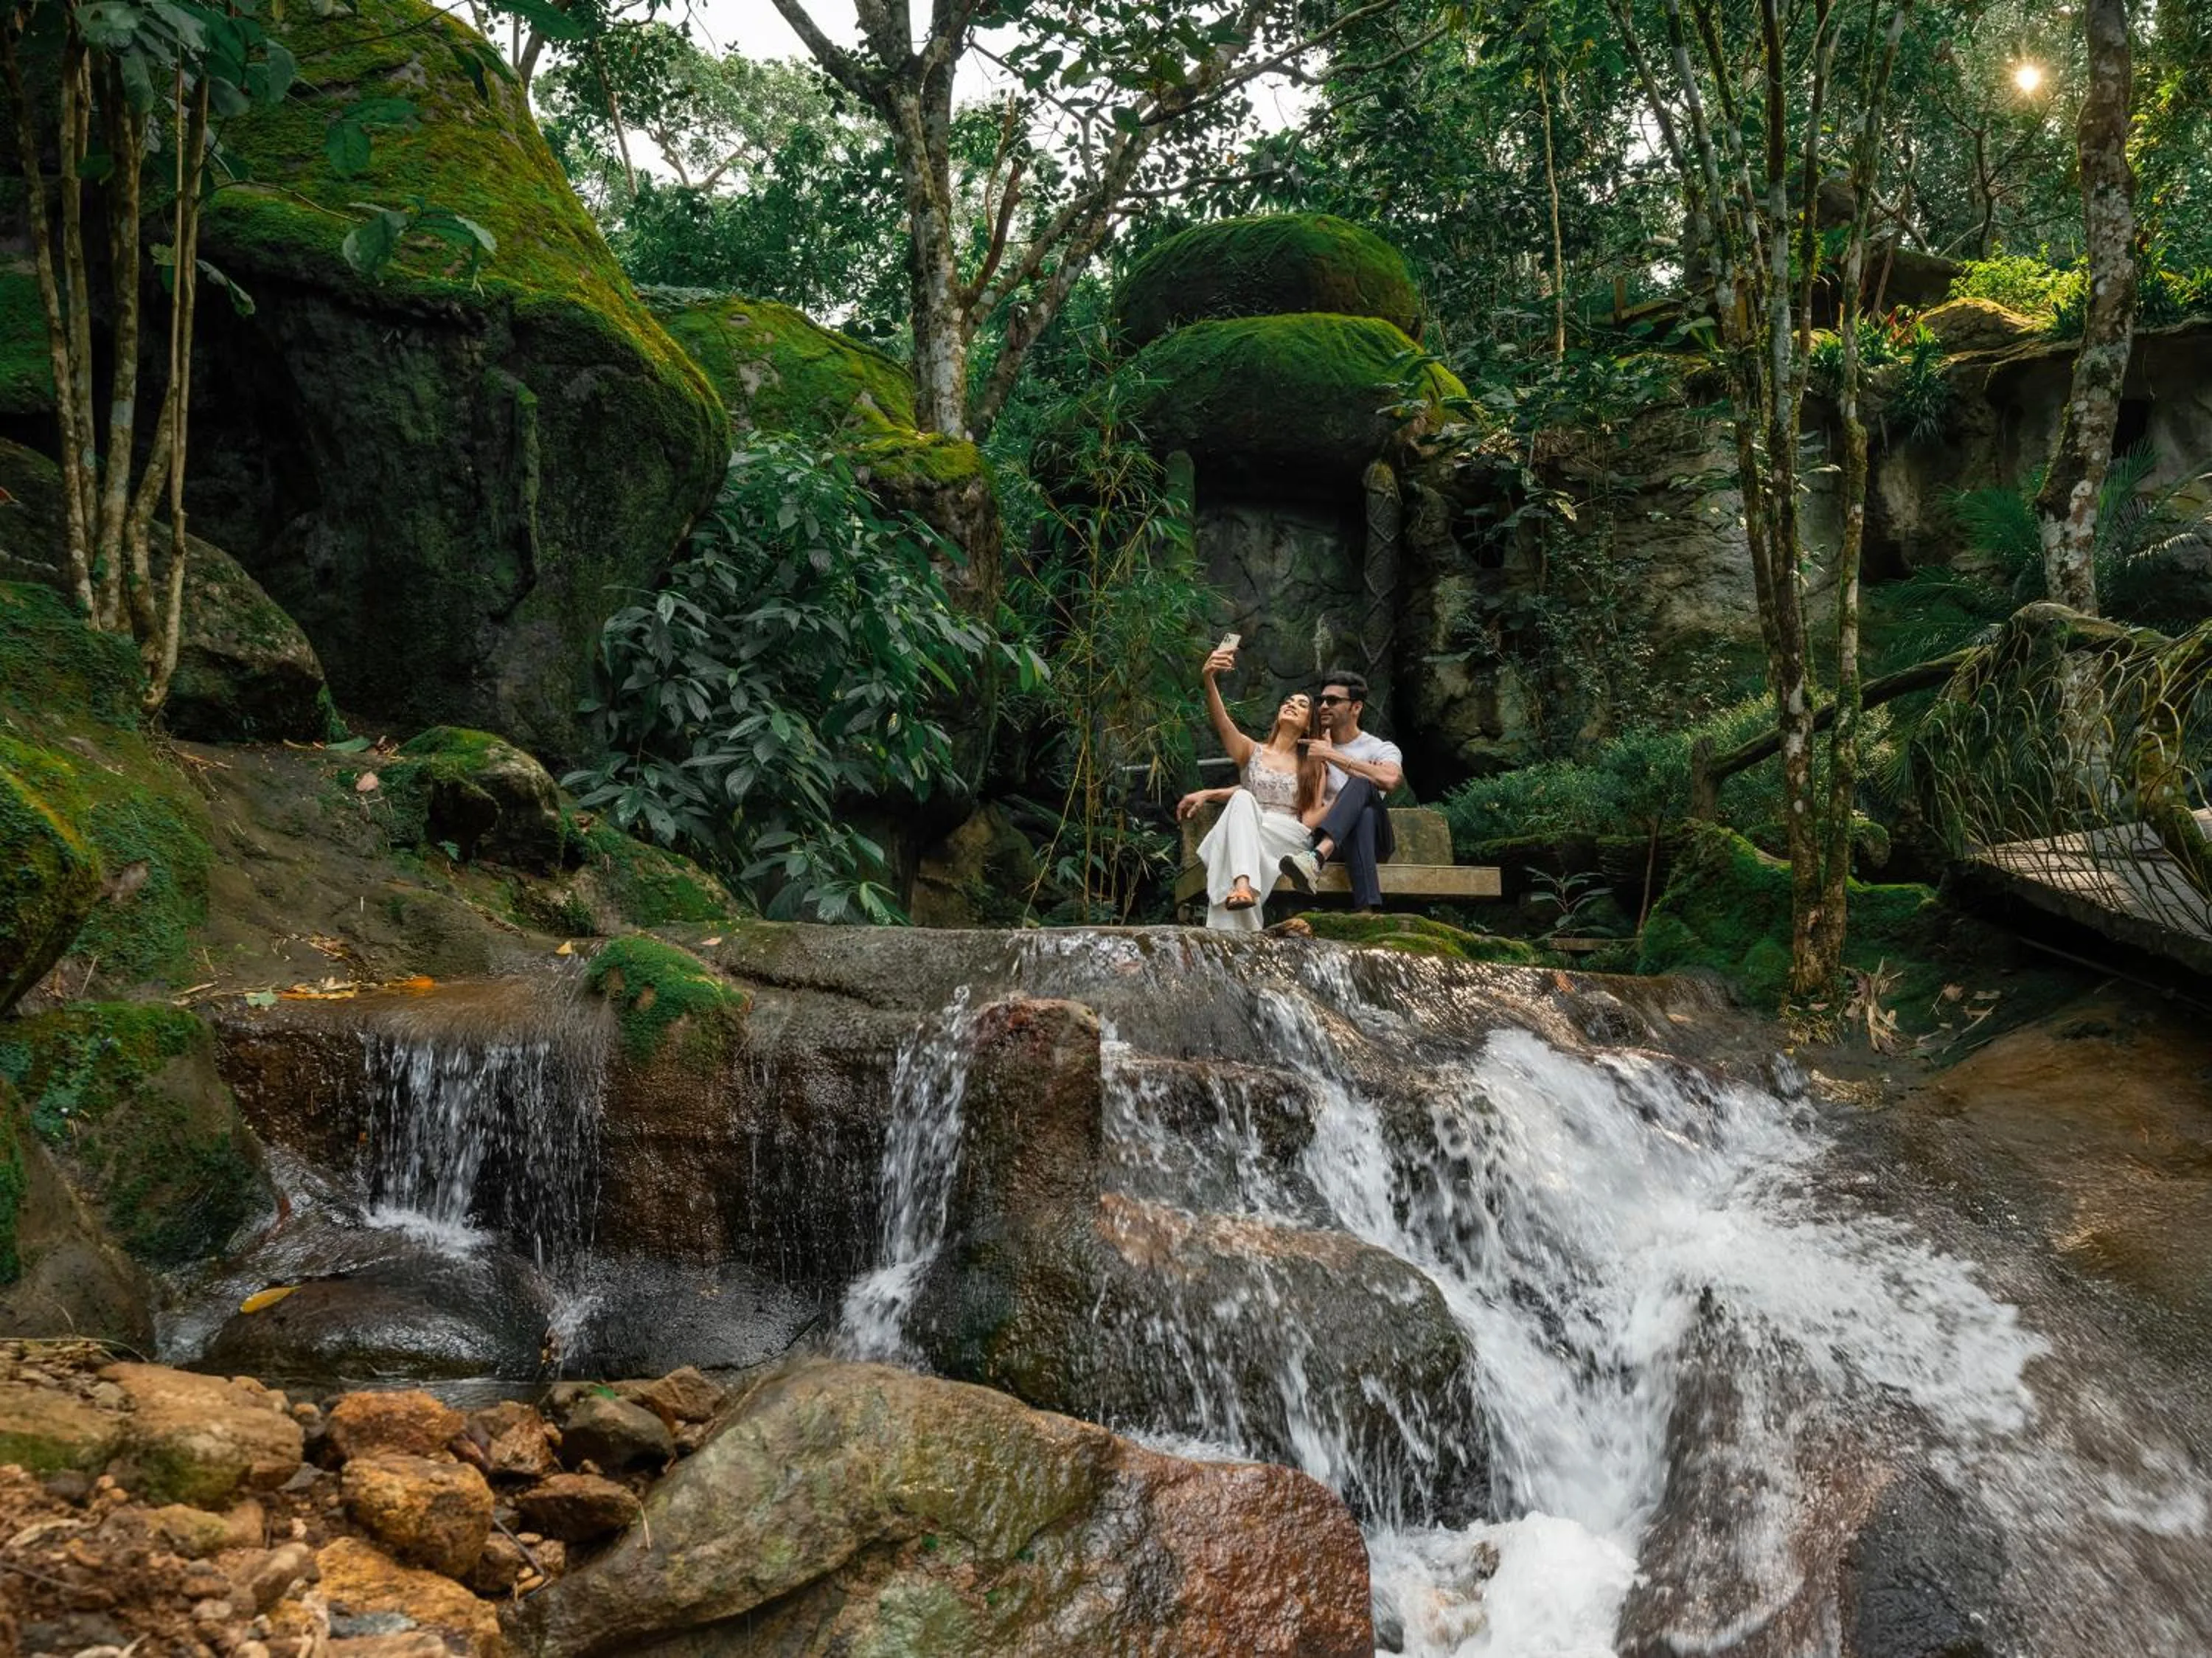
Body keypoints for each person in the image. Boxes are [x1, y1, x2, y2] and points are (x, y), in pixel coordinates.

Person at [1177, 642, 1327, 931]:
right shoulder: (1252, 751)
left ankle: (1239, 914)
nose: (1291, 704)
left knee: (1233, 828)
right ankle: (1243, 886)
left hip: (1286, 837)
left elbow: (1311, 815)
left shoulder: (1314, 764)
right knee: (1244, 800)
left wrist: (1209, 793)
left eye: (1301, 704)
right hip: (1250, 829)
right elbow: (1223, 725)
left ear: (1309, 725)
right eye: (1288, 701)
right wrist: (1209, 678)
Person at [1279, 668, 1405, 913]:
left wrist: (1331, 756)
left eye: (1333, 701)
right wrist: (1210, 794)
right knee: (1364, 813)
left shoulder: (1380, 747)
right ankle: (1366, 910)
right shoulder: (1310, 747)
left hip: (1376, 844)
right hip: (1330, 837)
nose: (1324, 706)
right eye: (1321, 700)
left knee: (1362, 782)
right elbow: (1271, 777)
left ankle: (1315, 859)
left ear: (1356, 708)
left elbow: (1390, 779)